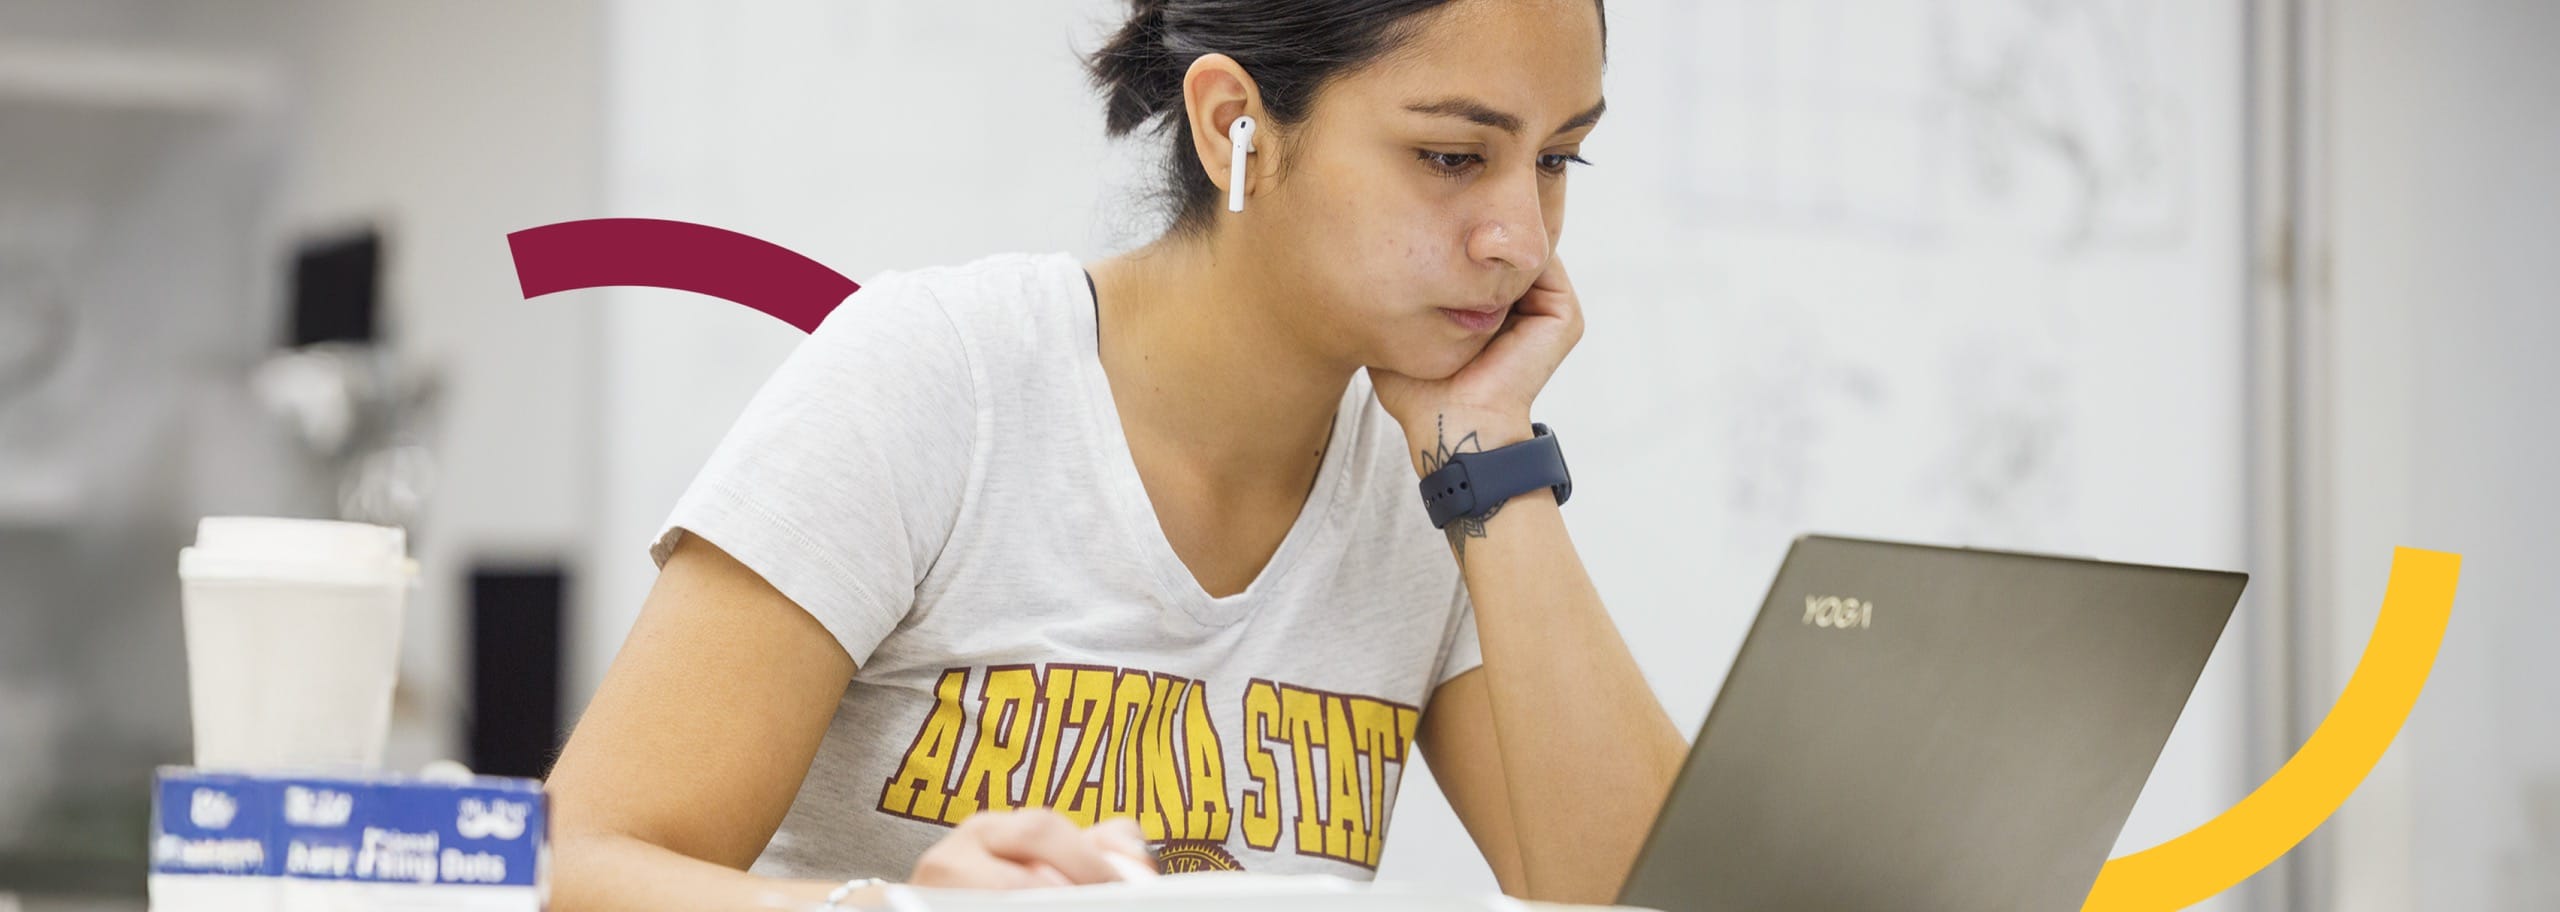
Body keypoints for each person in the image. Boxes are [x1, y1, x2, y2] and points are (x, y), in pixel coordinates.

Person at [544, 0, 1684, 907]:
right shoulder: (942, 378)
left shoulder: (1434, 476)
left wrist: (1490, 453)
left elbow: (1642, 904)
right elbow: (572, 864)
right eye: (1449, 156)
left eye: (1557, 161)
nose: (1521, 242)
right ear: (1232, 121)